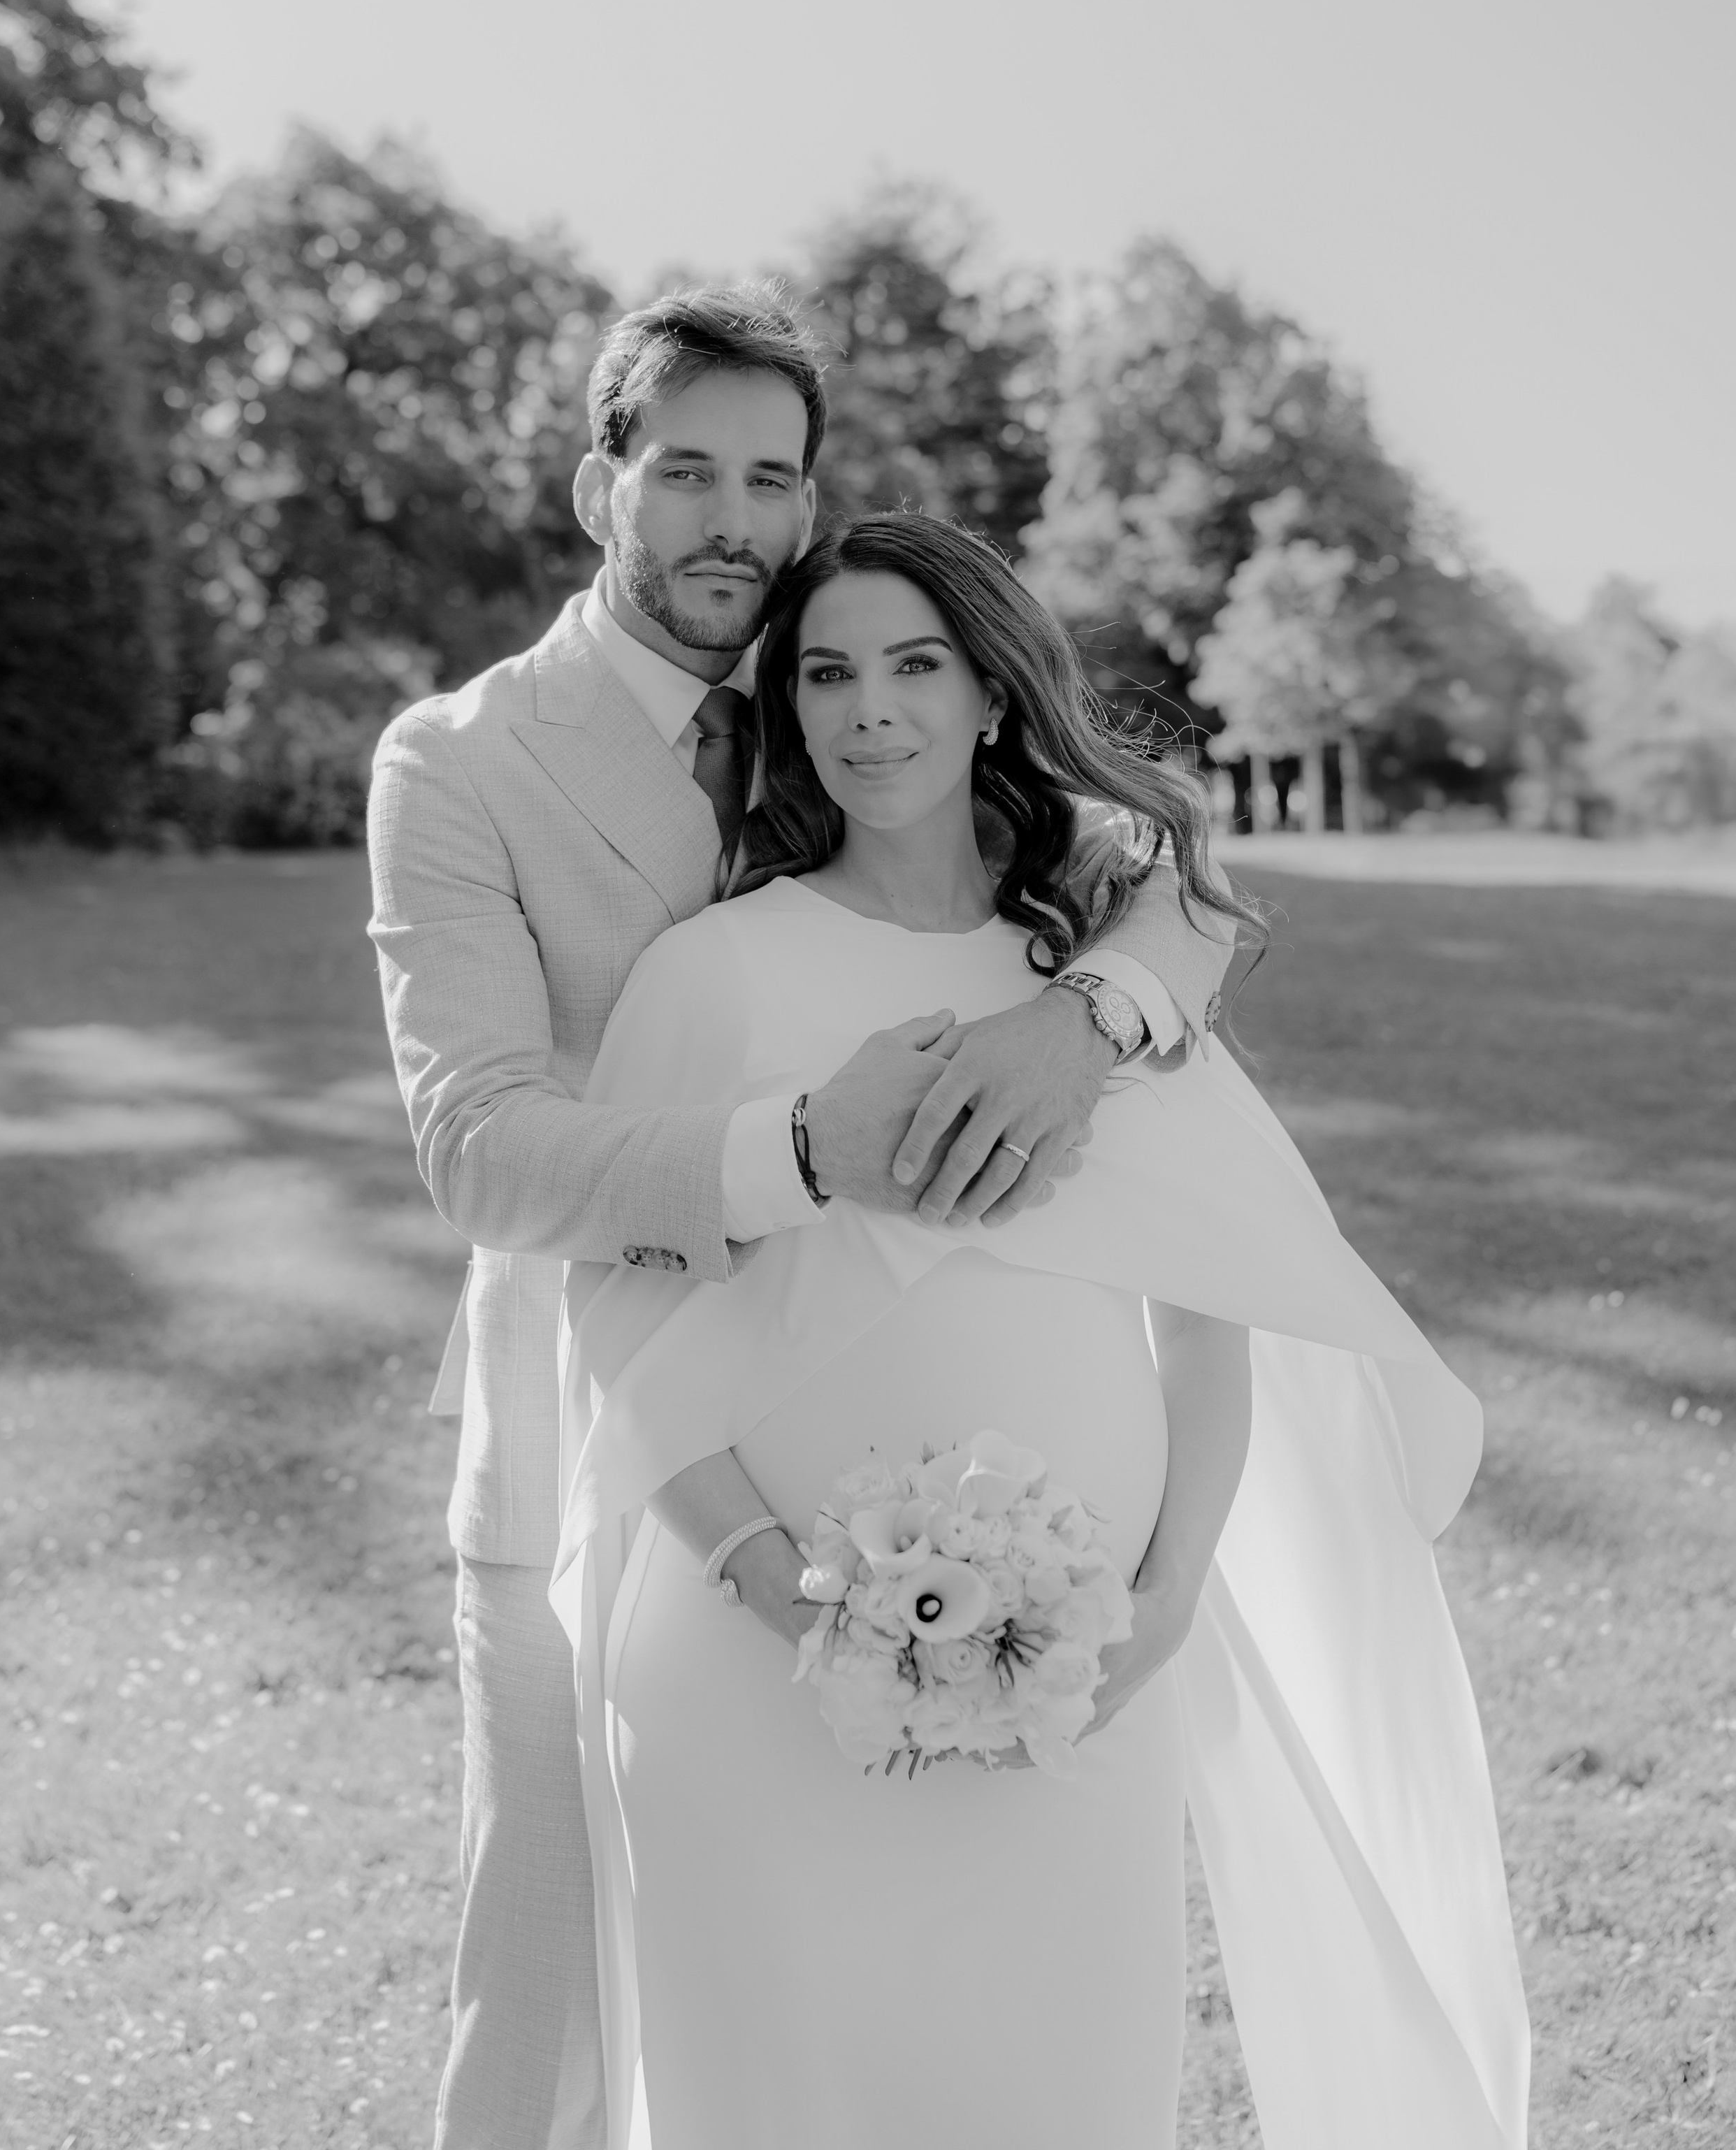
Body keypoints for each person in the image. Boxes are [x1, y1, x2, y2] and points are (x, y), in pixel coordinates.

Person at [366, 287, 1238, 2150]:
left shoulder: (843, 679)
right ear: (605, 485)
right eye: (687, 472)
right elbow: (478, 1145)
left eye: (774, 477)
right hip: (591, 1439)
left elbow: (1167, 886)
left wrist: (1090, 1022)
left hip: (898, 1407)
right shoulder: (462, 762)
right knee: (551, 1990)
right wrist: (806, 1149)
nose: (734, 521)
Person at [553, 512, 1531, 2150]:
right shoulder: (709, 973)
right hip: (755, 1678)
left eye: (916, 666)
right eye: (827, 673)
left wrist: (1156, 1604)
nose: (871, 712)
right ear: (785, 710)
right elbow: (617, 1308)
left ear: (993, 695)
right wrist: (780, 1590)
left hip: (1074, 1687)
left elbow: (1207, 1319)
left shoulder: (1093, 985)